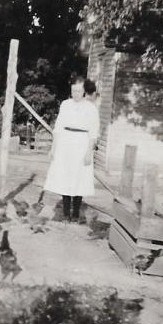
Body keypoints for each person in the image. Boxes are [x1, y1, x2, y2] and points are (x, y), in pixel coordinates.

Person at [44, 76, 100, 223]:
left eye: (78, 91)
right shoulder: (65, 105)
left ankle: (75, 213)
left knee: (78, 178)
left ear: (84, 92)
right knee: (65, 177)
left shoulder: (91, 108)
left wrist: (89, 152)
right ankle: (65, 214)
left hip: (81, 144)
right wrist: (53, 148)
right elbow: (58, 128)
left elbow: (93, 133)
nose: (75, 94)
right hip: (65, 143)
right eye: (73, 91)